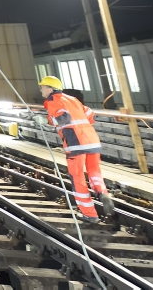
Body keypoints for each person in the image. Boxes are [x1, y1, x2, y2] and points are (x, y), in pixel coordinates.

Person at [36, 75, 114, 223]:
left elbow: (64, 118)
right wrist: (51, 120)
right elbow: (91, 116)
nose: (41, 90)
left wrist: (44, 121)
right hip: (92, 140)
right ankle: (103, 193)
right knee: (95, 173)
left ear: (50, 88)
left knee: (78, 178)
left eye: (43, 87)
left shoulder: (53, 100)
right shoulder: (72, 98)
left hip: (75, 142)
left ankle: (89, 214)